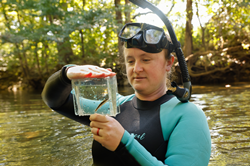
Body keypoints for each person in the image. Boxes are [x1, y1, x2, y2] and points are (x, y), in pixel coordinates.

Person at [42, 22, 211, 166]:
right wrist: (66, 74)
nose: (136, 68)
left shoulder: (187, 115)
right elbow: (54, 100)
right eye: (130, 61)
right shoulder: (112, 106)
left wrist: (124, 143)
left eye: (146, 59)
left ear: (169, 63)